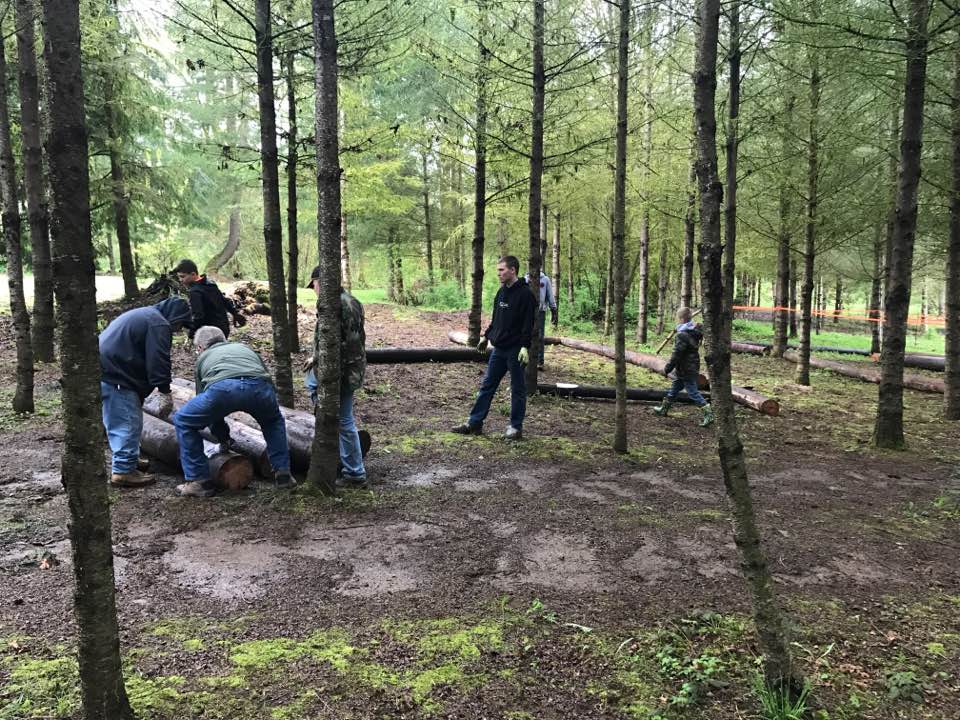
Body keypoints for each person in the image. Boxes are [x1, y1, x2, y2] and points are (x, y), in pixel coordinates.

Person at [173, 326, 293, 497]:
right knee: (273, 422)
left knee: (183, 420)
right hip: (259, 387)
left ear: (200, 347)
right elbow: (266, 375)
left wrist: (222, 438)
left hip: (223, 390)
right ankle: (283, 474)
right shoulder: (244, 348)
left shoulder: (203, 358)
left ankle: (198, 481)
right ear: (224, 339)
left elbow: (210, 413)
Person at [100, 297, 192, 487]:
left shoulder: (146, 315)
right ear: (174, 316)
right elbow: (158, 359)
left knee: (127, 418)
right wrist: (165, 390)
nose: (178, 329)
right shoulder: (157, 323)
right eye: (180, 323)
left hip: (109, 369)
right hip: (118, 374)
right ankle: (123, 471)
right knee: (127, 422)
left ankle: (129, 459)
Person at [452, 255, 534, 440]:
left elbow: (528, 324)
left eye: (501, 270)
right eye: (498, 270)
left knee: (517, 389)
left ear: (513, 270)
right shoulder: (501, 292)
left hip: (516, 350)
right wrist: (486, 336)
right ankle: (474, 423)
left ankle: (515, 427)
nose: (499, 274)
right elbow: (497, 320)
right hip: (499, 349)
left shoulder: (525, 295)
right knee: (487, 385)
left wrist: (524, 347)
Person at [303, 267, 368, 488]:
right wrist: (315, 357)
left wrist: (323, 363)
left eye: (314, 285)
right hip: (352, 367)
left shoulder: (332, 304)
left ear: (321, 282)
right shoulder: (353, 301)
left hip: (340, 370)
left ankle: (355, 473)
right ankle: (351, 467)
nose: (314, 290)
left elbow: (335, 341)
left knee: (343, 420)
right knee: (343, 418)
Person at [653, 307, 714, 427]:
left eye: (678, 318)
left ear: (681, 319)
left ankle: (709, 413)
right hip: (690, 366)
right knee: (675, 388)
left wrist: (668, 368)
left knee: (692, 392)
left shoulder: (682, 335)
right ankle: (664, 409)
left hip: (686, 368)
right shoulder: (695, 331)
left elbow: (677, 354)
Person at [174, 258, 237, 340]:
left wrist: (192, 333)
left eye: (182, 277)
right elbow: (224, 300)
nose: (180, 280)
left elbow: (199, 316)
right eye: (179, 277)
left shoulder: (195, 292)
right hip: (224, 328)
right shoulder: (210, 283)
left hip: (210, 333)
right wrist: (235, 313)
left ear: (193, 274)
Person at [524, 270, 558, 369]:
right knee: (526, 334)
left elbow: (550, 295)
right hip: (526, 311)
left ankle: (540, 361)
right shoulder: (525, 279)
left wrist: (553, 310)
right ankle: (526, 359)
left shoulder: (545, 279)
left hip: (540, 312)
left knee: (539, 336)